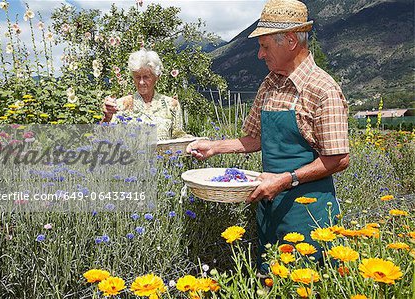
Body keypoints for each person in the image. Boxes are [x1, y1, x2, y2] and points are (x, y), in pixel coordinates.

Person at [187, 0, 349, 273]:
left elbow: (338, 159)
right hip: (269, 208)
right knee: (270, 280)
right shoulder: (269, 84)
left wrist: (286, 180)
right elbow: (255, 139)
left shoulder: (323, 89)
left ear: (289, 41)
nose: (260, 55)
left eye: (264, 46)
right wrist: (214, 147)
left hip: (309, 217)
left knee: (307, 284)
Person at [102, 49, 186, 140]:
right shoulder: (120, 105)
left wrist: (196, 143)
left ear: (157, 77)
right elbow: (103, 138)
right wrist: (107, 118)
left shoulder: (171, 105)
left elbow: (179, 136)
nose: (141, 82)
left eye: (146, 77)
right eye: (137, 77)